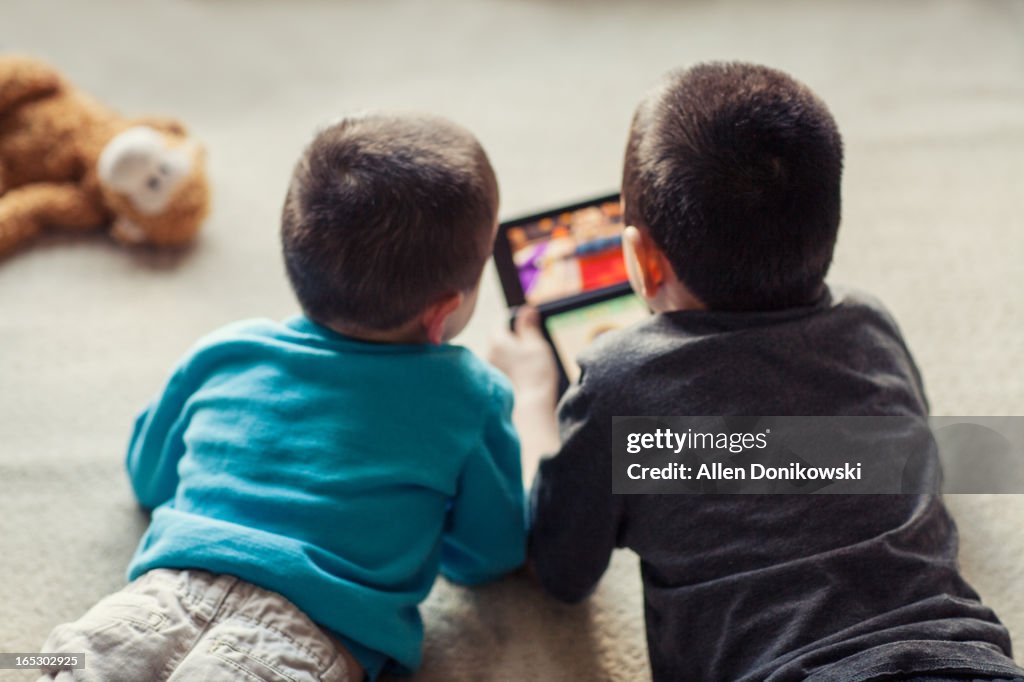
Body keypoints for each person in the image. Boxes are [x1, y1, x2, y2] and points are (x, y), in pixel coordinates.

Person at [489, 62, 1024, 682]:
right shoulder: (871, 324)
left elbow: (560, 569)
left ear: (641, 260)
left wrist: (534, 399)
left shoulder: (619, 384)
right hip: (965, 663)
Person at [39, 113, 526, 682]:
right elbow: (488, 553)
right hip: (296, 648)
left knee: (44, 663)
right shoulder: (472, 397)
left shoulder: (225, 350)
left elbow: (147, 475)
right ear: (444, 311)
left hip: (151, 605)